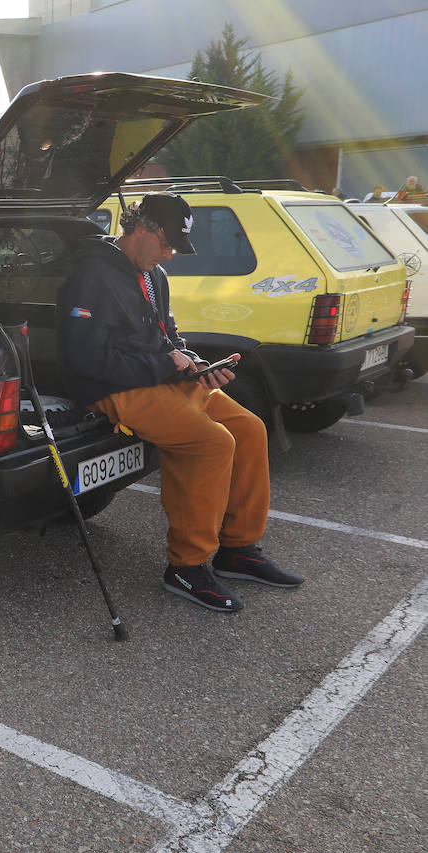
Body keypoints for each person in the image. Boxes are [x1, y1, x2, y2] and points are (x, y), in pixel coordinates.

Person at [56, 192, 306, 613]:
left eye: (175, 247)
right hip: (114, 389)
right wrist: (163, 363)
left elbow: (168, 336)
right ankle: (186, 566)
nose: (170, 255)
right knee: (211, 442)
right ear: (142, 229)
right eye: (167, 244)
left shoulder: (153, 276)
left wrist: (195, 363)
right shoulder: (91, 277)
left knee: (249, 428)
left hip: (162, 378)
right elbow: (87, 360)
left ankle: (238, 549)